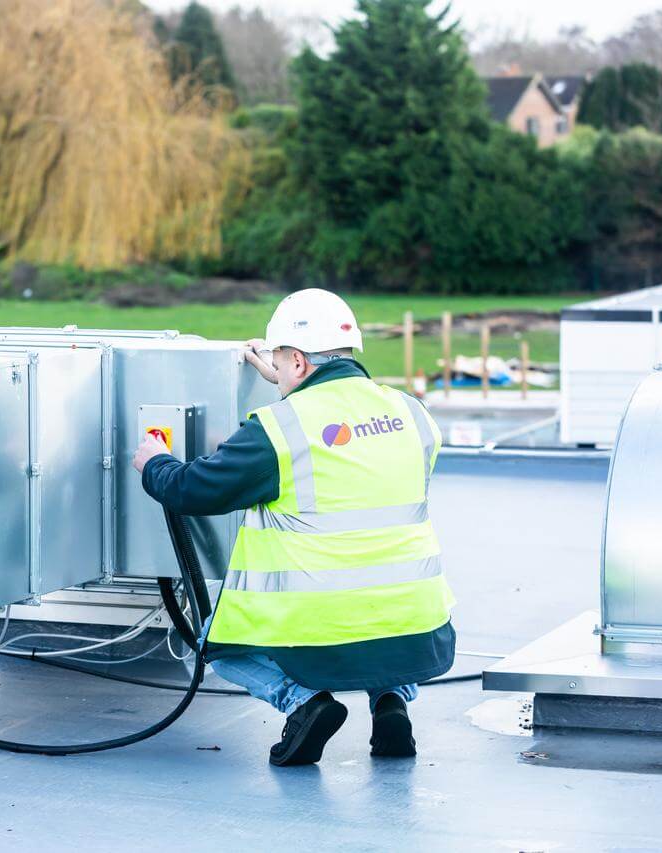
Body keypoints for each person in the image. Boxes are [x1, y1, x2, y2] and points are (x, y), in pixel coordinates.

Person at [133, 288, 455, 766]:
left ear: (300, 363)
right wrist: (285, 382)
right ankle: (391, 701)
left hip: (319, 632)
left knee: (211, 642)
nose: (276, 374)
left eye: (279, 364)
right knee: (380, 628)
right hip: (417, 625)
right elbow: (340, 445)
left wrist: (154, 463)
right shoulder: (413, 414)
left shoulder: (278, 430)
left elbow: (194, 491)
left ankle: (304, 703)